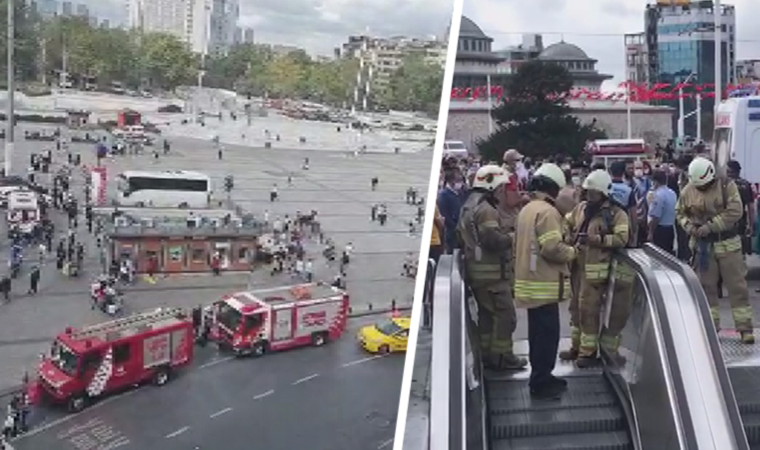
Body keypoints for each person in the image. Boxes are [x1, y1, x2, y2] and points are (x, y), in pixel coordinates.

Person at [514, 163, 578, 398]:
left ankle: (541, 375)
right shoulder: (548, 212)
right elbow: (551, 248)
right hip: (544, 284)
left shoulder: (527, 209)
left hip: (529, 282)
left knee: (536, 335)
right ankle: (541, 381)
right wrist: (572, 252)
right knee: (547, 336)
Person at [675, 157, 754, 343]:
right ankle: (710, 328)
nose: (701, 189)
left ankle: (745, 329)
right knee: (706, 289)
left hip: (728, 245)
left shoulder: (727, 186)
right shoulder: (689, 189)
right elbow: (680, 212)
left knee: (738, 288)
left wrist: (710, 226)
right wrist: (689, 227)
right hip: (703, 249)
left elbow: (735, 211)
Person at [458, 165, 527, 370]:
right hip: (492, 276)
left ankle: (487, 355)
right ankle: (503, 357)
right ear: (492, 186)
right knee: (506, 316)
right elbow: (492, 240)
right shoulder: (487, 209)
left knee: (488, 317)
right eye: (500, 188)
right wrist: (514, 237)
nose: (502, 192)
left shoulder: (469, 205)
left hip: (477, 273)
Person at [562, 170, 630, 366]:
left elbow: (622, 239)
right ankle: (576, 347)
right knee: (576, 310)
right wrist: (567, 233)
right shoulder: (581, 208)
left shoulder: (617, 214)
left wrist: (596, 240)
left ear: (604, 193)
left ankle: (588, 353)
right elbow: (567, 221)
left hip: (597, 274)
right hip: (577, 269)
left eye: (594, 193)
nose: (589, 197)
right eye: (588, 193)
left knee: (590, 312)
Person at [726, 160, 755, 256]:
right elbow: (751, 207)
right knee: (739, 247)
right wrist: (751, 225)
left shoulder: (722, 184)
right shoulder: (746, 185)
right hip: (740, 220)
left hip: (724, 221)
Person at [647, 169, 678, 255]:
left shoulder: (658, 195)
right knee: (669, 256)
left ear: (655, 182)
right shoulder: (672, 193)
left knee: (659, 256)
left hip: (660, 230)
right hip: (671, 228)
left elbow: (656, 217)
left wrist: (650, 232)